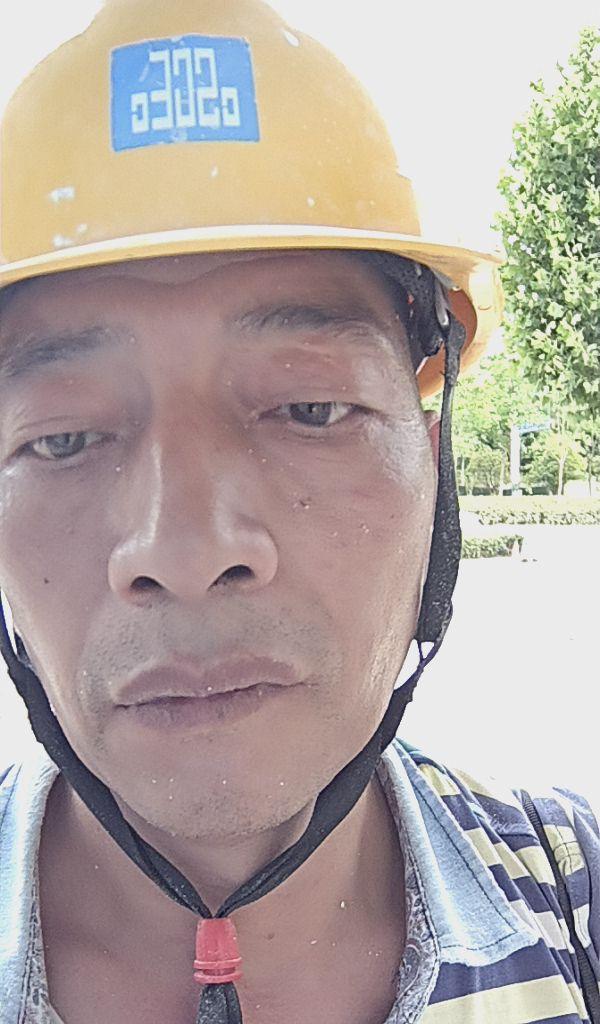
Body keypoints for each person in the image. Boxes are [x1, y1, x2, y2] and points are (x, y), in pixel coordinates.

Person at [0, 2, 598, 1023]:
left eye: (312, 409)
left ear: (434, 471)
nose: (186, 550)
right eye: (60, 440)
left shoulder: (575, 897)